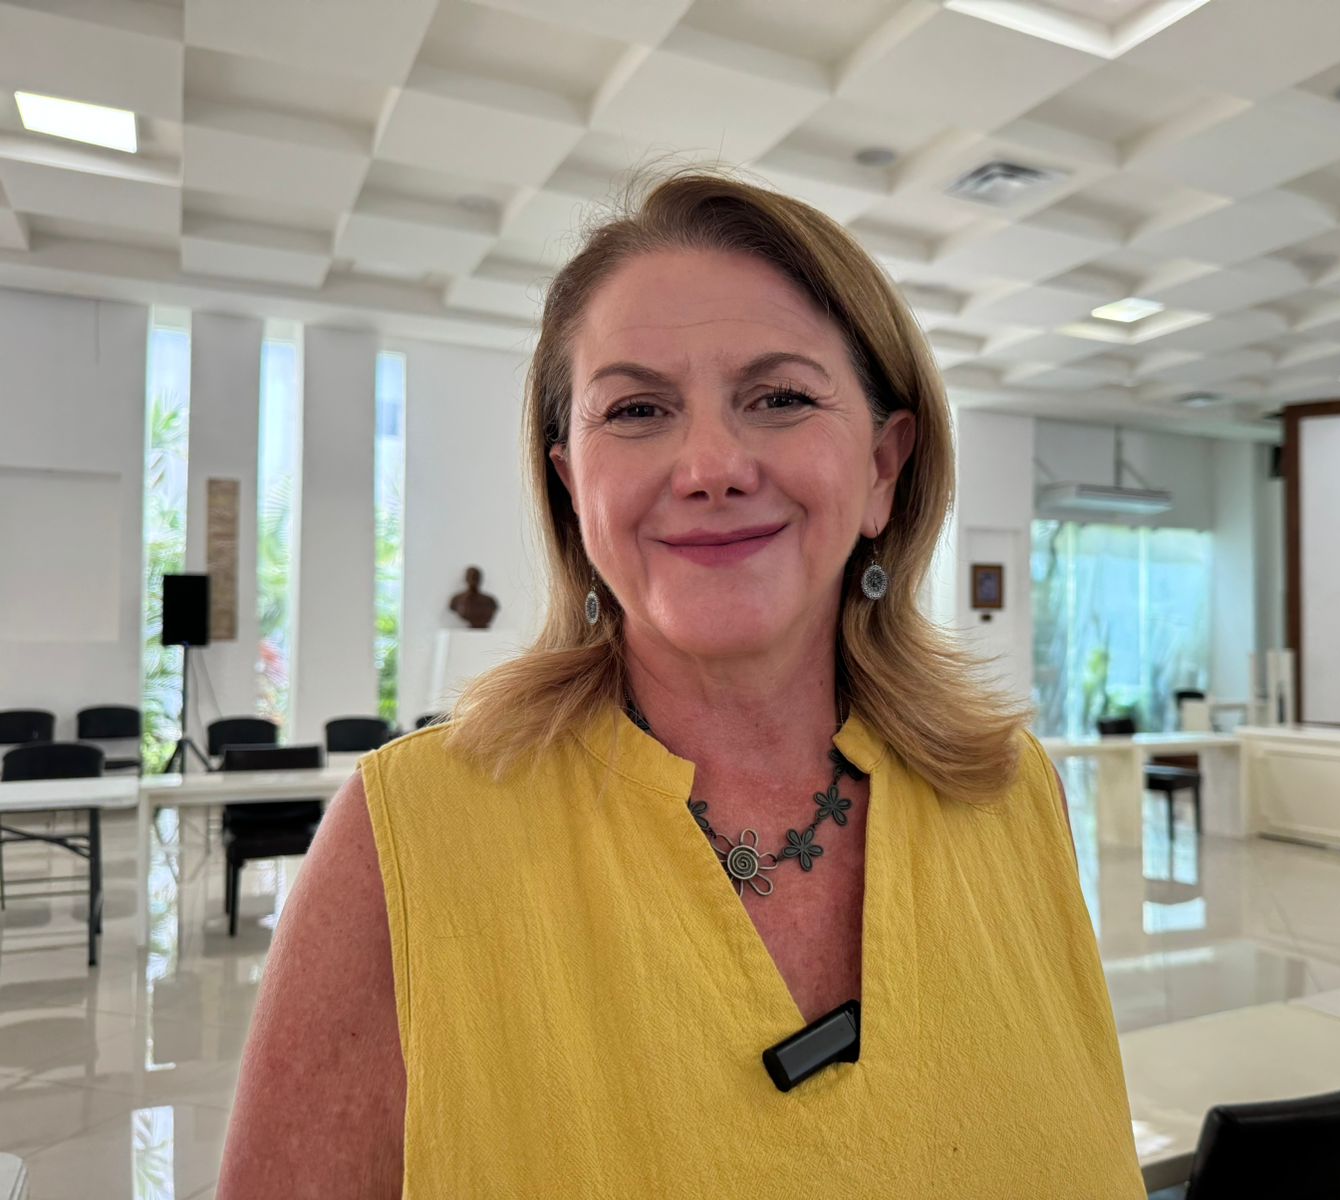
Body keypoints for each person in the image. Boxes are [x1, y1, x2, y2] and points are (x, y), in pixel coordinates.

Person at [218, 170, 1144, 1198]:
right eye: (638, 409)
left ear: (883, 468)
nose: (710, 465)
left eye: (780, 398)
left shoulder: (1011, 796)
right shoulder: (406, 842)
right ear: (572, 485)